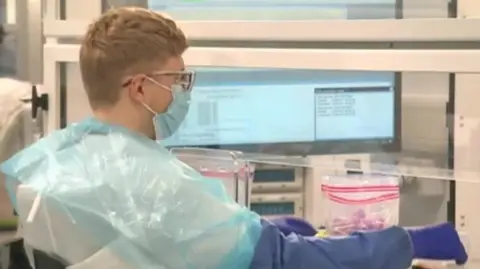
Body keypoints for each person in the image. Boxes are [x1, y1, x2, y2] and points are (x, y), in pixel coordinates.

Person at [0, 7, 467, 269]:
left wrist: (263, 229)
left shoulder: (51, 157)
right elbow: (283, 265)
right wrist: (404, 241)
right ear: (140, 87)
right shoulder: (154, 184)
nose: (185, 92)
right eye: (177, 80)